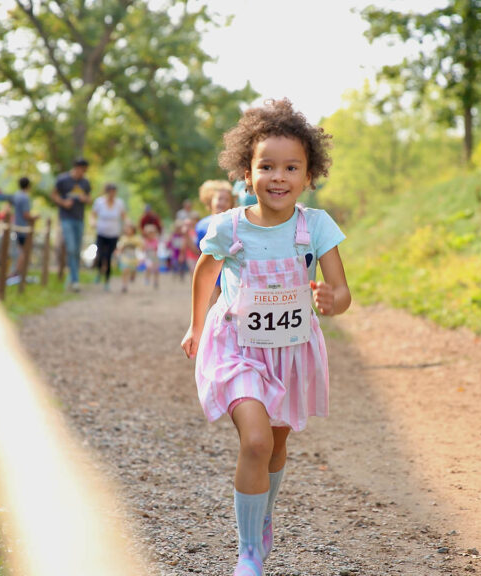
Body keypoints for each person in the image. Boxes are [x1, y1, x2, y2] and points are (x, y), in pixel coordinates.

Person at [180, 98, 351, 576]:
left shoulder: (315, 227)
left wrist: (332, 300)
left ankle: (263, 513)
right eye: (267, 166)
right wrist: (196, 325)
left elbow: (341, 290)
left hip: (291, 351)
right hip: (236, 348)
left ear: (309, 175)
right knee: (254, 441)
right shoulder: (229, 226)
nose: (279, 177)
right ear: (246, 172)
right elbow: (204, 273)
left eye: (291, 167)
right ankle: (248, 552)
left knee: (276, 445)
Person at [194, 179, 236, 307]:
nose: (222, 202)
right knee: (213, 304)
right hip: (211, 270)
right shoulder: (202, 225)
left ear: (231, 203)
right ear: (210, 200)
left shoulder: (234, 223)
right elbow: (199, 251)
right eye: (219, 198)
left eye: (226, 199)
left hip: (229, 269)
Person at [53, 158, 92, 292]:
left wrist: (84, 199)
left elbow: (89, 199)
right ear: (77, 168)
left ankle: (72, 277)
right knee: (70, 247)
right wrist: (63, 203)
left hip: (79, 218)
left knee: (76, 250)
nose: (83, 173)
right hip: (66, 218)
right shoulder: (63, 179)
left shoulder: (85, 182)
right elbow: (54, 194)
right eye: (82, 169)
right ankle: (75, 280)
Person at [0, 176, 35, 279]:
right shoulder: (25, 197)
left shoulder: (16, 196)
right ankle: (17, 272)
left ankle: (15, 272)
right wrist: (34, 217)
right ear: (28, 186)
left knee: (18, 251)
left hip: (15, 226)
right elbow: (26, 214)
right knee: (23, 251)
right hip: (23, 228)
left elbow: (6, 204)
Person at [91, 182, 127, 291]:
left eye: (114, 192)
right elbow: (93, 215)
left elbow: (124, 216)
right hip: (101, 233)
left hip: (113, 234)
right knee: (100, 255)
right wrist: (92, 222)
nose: (112, 194)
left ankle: (107, 280)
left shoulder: (119, 203)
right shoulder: (99, 202)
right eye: (110, 192)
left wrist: (128, 226)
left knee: (109, 256)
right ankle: (99, 271)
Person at [116, 222, 143, 293]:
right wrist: (119, 252)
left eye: (129, 229)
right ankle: (124, 285)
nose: (128, 231)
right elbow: (120, 247)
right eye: (126, 229)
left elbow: (141, 247)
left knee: (132, 270)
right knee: (125, 270)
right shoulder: (123, 238)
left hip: (133, 258)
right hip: (125, 257)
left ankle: (133, 275)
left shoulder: (136, 238)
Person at [141, 223, 161, 289]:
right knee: (148, 268)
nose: (151, 235)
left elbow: (156, 249)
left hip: (154, 257)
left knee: (156, 270)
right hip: (148, 257)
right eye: (150, 234)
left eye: (153, 233)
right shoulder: (145, 241)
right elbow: (143, 249)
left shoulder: (156, 241)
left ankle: (156, 281)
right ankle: (147, 278)